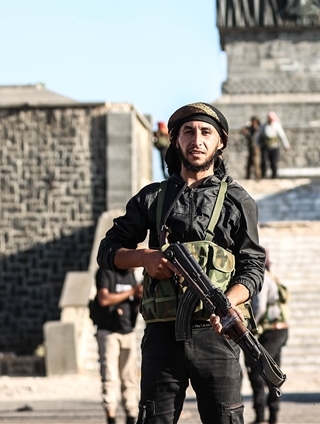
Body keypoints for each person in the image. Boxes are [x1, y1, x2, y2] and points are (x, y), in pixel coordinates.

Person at [97, 102, 265, 424]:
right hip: (163, 336)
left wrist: (228, 302)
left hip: (217, 336)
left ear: (221, 142)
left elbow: (253, 267)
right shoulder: (152, 198)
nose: (196, 140)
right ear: (175, 140)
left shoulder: (237, 201)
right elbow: (107, 250)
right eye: (188, 132)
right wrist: (144, 258)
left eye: (206, 132)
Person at [93, 266, 143, 424]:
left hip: (127, 330)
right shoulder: (105, 272)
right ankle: (111, 416)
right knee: (110, 376)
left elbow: (134, 300)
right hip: (108, 332)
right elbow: (104, 299)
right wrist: (132, 291)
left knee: (130, 378)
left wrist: (138, 295)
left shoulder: (130, 275)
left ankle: (131, 415)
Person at [245, 252, 289, 424]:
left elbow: (259, 307)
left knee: (257, 372)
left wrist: (250, 328)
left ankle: (261, 416)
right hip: (279, 331)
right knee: (274, 373)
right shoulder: (271, 276)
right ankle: (272, 416)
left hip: (271, 332)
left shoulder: (262, 278)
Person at [258, 112, 290, 179]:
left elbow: (282, 136)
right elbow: (260, 136)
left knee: (274, 162)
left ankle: (274, 176)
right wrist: (258, 144)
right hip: (266, 147)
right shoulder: (264, 126)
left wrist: (286, 145)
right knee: (264, 162)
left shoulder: (277, 126)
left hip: (274, 147)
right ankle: (263, 176)